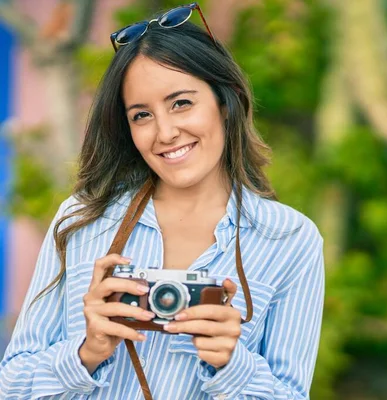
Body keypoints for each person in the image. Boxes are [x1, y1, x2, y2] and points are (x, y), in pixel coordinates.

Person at [0, 4, 324, 399]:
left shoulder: (289, 239)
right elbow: (11, 385)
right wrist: (86, 352)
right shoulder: (84, 219)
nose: (165, 132)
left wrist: (231, 364)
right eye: (141, 115)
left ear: (226, 101)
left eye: (181, 103)